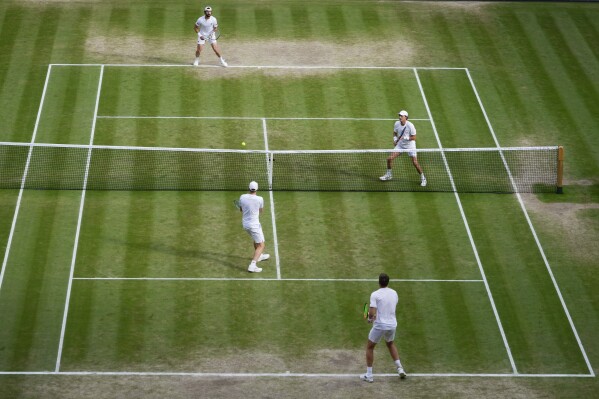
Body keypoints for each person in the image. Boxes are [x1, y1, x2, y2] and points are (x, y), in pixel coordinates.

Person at [360, 273, 407, 383]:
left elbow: (371, 313)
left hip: (380, 325)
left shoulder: (375, 294)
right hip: (392, 325)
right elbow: (390, 307)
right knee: (390, 344)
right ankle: (400, 368)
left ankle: (369, 375)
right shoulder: (394, 293)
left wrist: (370, 318)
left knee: (370, 347)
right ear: (388, 282)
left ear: (379, 282)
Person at [379, 110, 427, 187]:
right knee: (389, 159)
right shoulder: (397, 123)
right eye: (399, 116)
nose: (400, 117)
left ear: (406, 117)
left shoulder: (410, 126)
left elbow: (414, 137)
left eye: (401, 116)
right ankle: (389, 175)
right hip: (400, 145)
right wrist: (395, 140)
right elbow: (394, 133)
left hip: (410, 146)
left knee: (415, 163)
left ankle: (423, 178)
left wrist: (406, 137)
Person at [238, 181, 270, 273]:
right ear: (257, 189)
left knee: (257, 240)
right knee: (261, 245)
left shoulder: (242, 197)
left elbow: (241, 209)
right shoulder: (260, 199)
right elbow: (261, 211)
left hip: (246, 225)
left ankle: (259, 256)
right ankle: (252, 265)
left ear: (249, 188)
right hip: (254, 226)